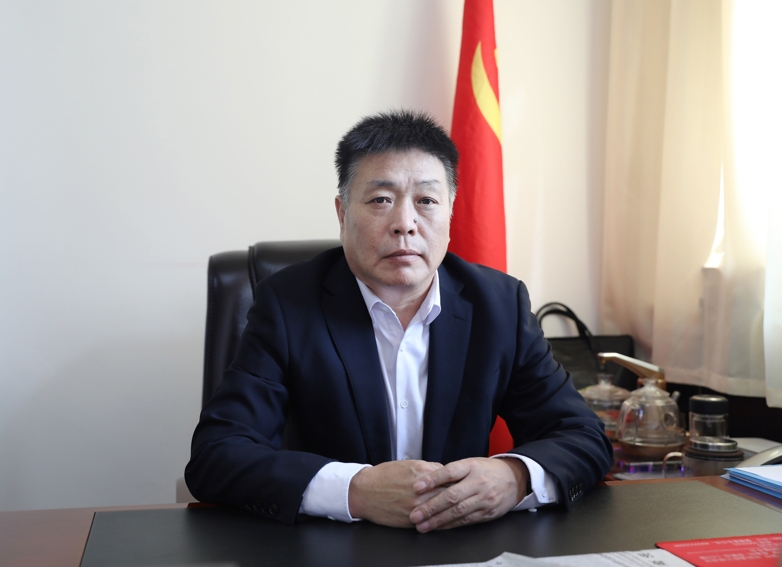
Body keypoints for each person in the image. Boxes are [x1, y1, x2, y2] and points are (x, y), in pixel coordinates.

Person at [185, 110, 613, 533]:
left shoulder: (499, 306)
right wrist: (354, 490)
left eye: (426, 201)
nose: (405, 224)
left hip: (458, 545)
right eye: (381, 200)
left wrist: (514, 476)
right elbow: (217, 454)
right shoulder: (287, 304)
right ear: (342, 213)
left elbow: (583, 437)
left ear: (450, 212)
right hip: (330, 546)